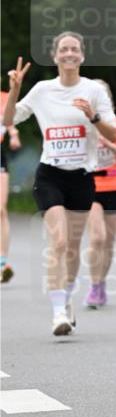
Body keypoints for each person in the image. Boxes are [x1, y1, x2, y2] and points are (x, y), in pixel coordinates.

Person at [2, 34, 116, 336]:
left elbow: (113, 133)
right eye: (63, 49)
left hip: (81, 177)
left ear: (81, 55)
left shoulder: (92, 90)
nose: (68, 53)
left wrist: (93, 116)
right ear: (55, 56)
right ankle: (57, 313)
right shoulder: (42, 90)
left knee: (73, 248)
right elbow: (9, 119)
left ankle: (66, 301)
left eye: (73, 49)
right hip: (49, 175)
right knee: (60, 242)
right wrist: (14, 90)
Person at [85, 79, 116, 308]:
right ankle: (94, 286)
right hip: (89, 185)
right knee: (97, 237)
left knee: (109, 241)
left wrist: (109, 144)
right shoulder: (82, 124)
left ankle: (101, 283)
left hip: (114, 185)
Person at [1, 88, 21, 283]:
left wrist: (14, 134)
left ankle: (2, 262)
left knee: (0, 209)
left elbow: (10, 122)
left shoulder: (5, 98)